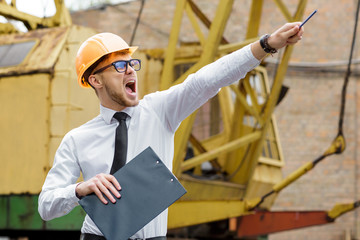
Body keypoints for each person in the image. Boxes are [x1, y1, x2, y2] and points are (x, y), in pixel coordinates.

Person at [38, 22, 304, 240]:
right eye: (119, 66)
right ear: (95, 80)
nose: (130, 70)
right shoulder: (77, 139)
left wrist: (266, 45)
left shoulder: (159, 110)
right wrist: (80, 189)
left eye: (132, 63)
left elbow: (208, 79)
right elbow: (46, 207)